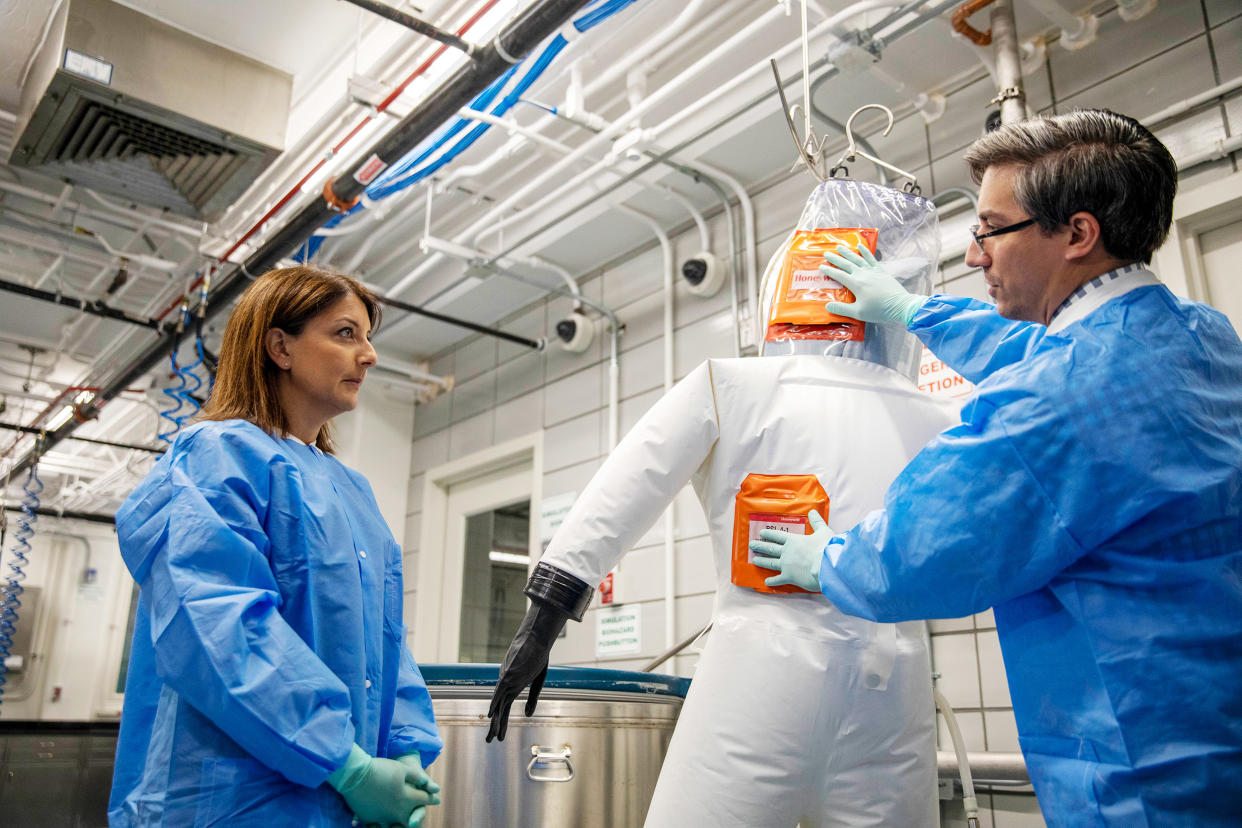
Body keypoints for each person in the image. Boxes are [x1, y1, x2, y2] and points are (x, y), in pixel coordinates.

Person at [750, 109, 1242, 826]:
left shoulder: (1051, 402)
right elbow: (1059, 362)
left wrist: (827, 559)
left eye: (990, 229)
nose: (976, 253)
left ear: (1078, 233)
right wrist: (915, 310)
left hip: (1141, 767)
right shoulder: (1202, 338)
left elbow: (923, 551)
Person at [486, 177, 960, 827]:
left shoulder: (732, 385)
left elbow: (626, 485)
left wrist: (544, 617)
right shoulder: (939, 417)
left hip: (761, 677)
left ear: (785, 291)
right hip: (892, 684)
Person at [109, 266, 443, 828]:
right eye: (345, 334)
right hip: (231, 799)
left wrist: (405, 745)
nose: (369, 356)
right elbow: (221, 628)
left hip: (331, 803)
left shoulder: (351, 491)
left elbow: (385, 640)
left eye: (367, 338)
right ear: (280, 347)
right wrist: (348, 766)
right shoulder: (216, 458)